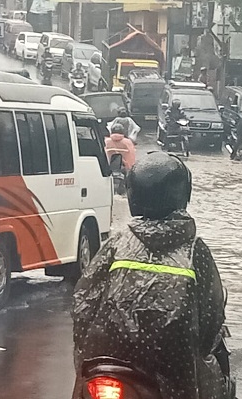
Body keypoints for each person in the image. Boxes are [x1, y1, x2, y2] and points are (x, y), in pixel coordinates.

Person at [72, 152, 228, 399]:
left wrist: (84, 351)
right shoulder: (194, 250)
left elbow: (83, 302)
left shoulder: (117, 242)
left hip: (106, 359)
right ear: (183, 195)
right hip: (172, 370)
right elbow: (212, 317)